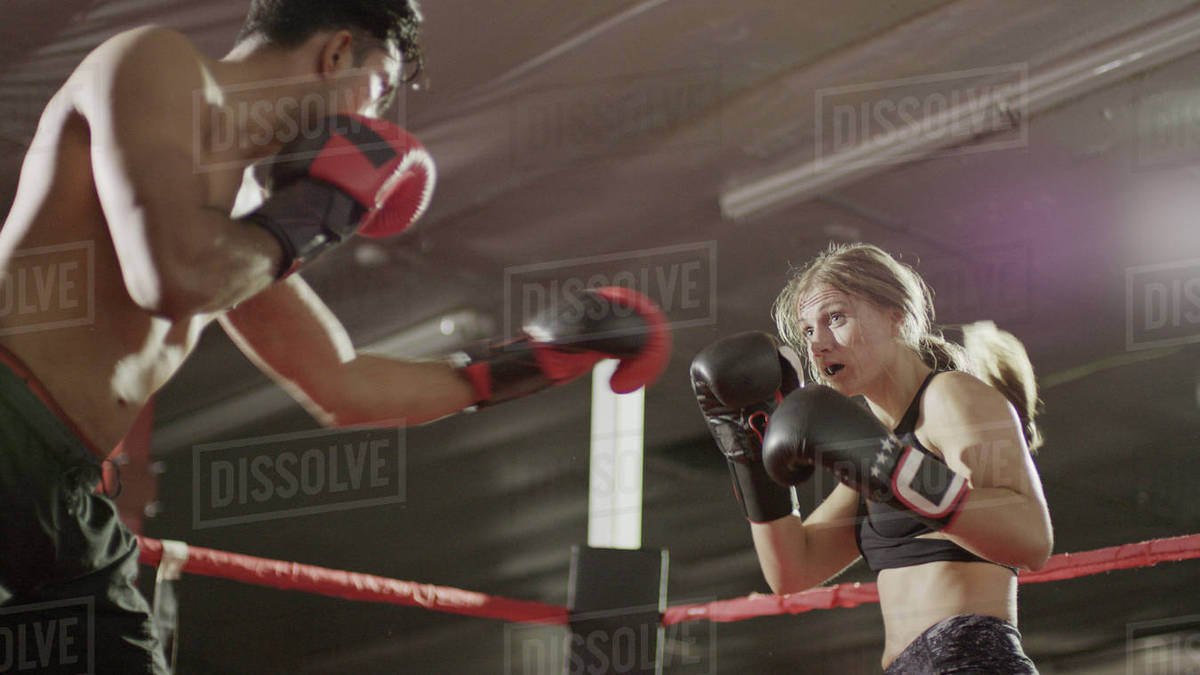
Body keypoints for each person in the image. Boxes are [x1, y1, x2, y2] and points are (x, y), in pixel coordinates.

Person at [0, 2, 670, 672]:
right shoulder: (156, 63)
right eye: (377, 91)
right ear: (337, 52)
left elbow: (342, 383)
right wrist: (321, 208)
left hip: (54, 487)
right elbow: (170, 275)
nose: (372, 125)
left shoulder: (236, 228)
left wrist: (529, 362)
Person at [691, 243, 1051, 674]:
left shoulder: (951, 396)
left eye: (835, 318)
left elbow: (1031, 541)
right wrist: (746, 455)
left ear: (896, 317)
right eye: (807, 331)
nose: (819, 344)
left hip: (969, 658)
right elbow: (793, 570)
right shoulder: (875, 449)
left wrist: (893, 471)